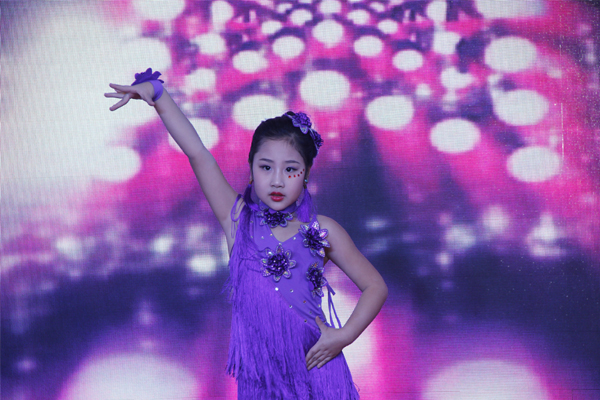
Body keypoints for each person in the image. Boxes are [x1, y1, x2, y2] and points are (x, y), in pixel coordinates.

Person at [105, 69, 388, 399]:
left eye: (290, 169)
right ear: (251, 169)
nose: (277, 180)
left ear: (306, 174)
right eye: (266, 167)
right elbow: (198, 154)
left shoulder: (322, 230)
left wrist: (344, 336)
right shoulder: (239, 219)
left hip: (319, 371)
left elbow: (375, 286)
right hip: (262, 380)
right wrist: (158, 96)